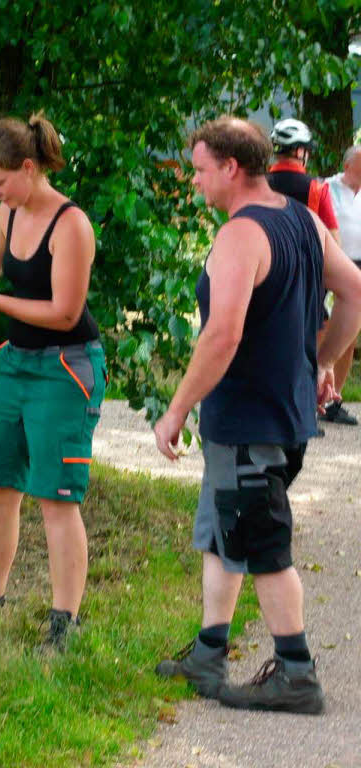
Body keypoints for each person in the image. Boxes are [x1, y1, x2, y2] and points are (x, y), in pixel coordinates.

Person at [153, 117, 361, 714]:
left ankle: (296, 674)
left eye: (197, 169)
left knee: (263, 541)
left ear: (230, 168)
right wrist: (318, 362)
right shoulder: (305, 222)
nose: (193, 181)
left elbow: (221, 335)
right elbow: (354, 293)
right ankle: (209, 653)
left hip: (250, 418)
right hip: (279, 414)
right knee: (224, 531)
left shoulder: (241, 236)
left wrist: (175, 410)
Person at [0, 113, 106, 653]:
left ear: (29, 169)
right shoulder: (10, 214)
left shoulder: (71, 225)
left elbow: (62, 311)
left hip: (65, 367)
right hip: (17, 365)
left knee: (56, 497)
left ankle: (65, 622)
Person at [267, 118, 354, 428]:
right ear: (302, 152)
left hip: (264, 277)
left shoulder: (258, 184)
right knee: (309, 344)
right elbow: (333, 238)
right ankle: (303, 415)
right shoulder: (317, 189)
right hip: (306, 282)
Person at [323, 145, 361, 423]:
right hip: (330, 264)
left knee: (349, 336)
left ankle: (334, 398)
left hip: (358, 266)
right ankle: (314, 394)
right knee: (322, 330)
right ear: (348, 165)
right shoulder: (328, 188)